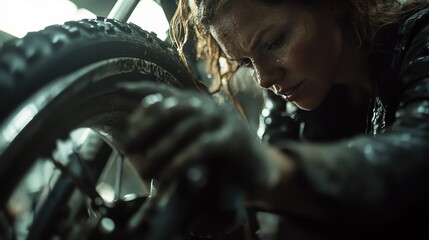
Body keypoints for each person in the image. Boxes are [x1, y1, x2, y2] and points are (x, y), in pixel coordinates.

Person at [121, 0, 429, 239]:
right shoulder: (296, 99)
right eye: (244, 62)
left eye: (273, 43)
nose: (264, 78)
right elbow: (266, 216)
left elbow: (415, 159)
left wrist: (264, 168)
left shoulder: (421, 35)